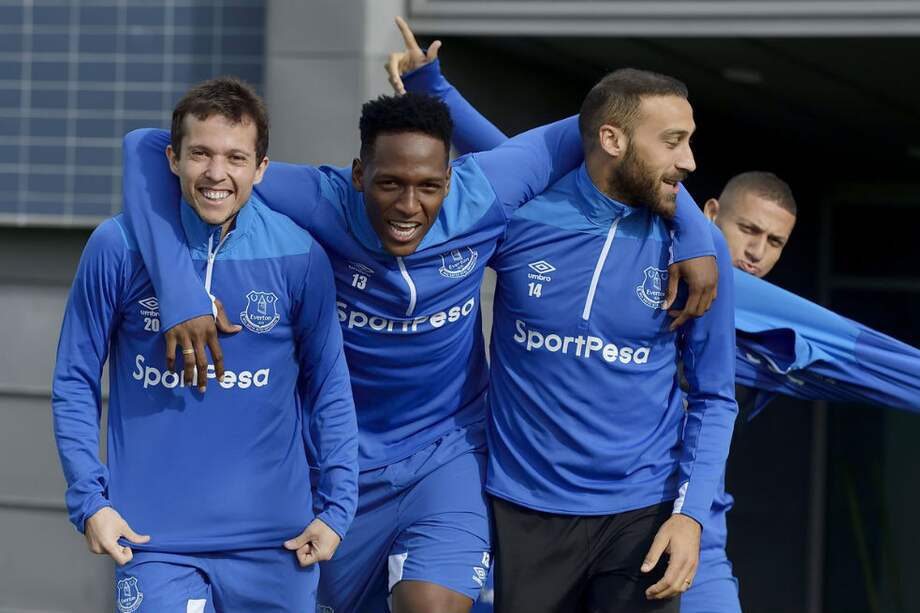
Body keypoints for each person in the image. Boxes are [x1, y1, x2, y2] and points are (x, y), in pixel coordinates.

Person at [120, 21, 721, 613]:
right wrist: (181, 293)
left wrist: (694, 231)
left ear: (451, 178)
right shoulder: (316, 199)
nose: (409, 207)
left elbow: (614, 134)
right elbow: (147, 146)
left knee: (433, 605)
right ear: (358, 177)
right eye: (388, 185)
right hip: (332, 459)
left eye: (429, 186)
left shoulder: (487, 193)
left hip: (448, 450)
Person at [390, 35, 738, 613]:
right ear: (611, 140)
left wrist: (690, 516)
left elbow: (715, 396)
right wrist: (432, 90)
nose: (690, 162)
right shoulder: (522, 217)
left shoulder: (696, 253)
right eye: (673, 142)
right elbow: (507, 155)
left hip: (640, 511)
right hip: (523, 507)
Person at [51, 77, 358, 613]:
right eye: (200, 154)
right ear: (172, 158)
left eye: (236, 157)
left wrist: (337, 509)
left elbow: (329, 386)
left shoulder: (299, 256)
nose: (217, 174)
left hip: (276, 545)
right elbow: (75, 379)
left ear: (261, 168)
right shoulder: (115, 247)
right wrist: (89, 500)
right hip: (154, 544)